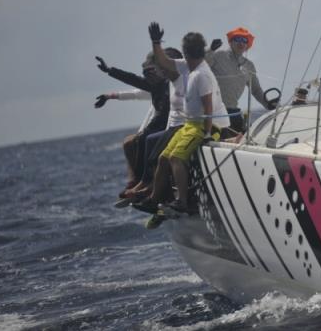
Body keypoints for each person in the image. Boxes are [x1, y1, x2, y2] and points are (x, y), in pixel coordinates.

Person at [135, 22, 229, 220]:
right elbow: (164, 60)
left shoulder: (201, 75)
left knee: (177, 158)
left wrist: (207, 133)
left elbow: (208, 106)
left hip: (202, 125)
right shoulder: (188, 67)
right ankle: (154, 199)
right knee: (163, 158)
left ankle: (183, 202)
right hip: (188, 125)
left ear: (186, 53)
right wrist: (156, 42)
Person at [95, 53, 170, 197]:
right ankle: (138, 181)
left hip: (169, 124)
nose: (149, 77)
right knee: (138, 140)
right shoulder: (152, 85)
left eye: (151, 72)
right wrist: (109, 70)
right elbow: (131, 79)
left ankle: (148, 183)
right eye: (146, 74)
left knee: (148, 139)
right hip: (159, 123)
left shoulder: (171, 83)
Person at [206, 27, 275, 134]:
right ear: (231, 42)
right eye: (237, 39)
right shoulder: (218, 55)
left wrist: (268, 105)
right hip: (215, 110)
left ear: (248, 45)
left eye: (244, 40)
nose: (241, 42)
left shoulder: (249, 65)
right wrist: (210, 50)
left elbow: (256, 90)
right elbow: (201, 65)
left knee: (244, 138)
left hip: (233, 111)